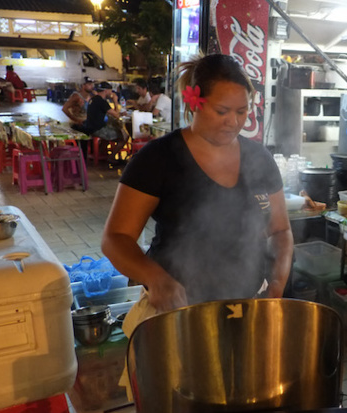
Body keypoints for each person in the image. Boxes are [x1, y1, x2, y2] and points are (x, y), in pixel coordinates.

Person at [101, 54, 293, 331]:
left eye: (242, 111)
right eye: (222, 111)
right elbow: (115, 239)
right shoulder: (158, 158)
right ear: (194, 104)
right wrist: (156, 278)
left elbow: (280, 230)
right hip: (175, 311)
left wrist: (276, 283)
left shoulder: (259, 158)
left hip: (248, 306)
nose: (233, 122)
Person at [73, 81, 127, 160]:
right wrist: (115, 101)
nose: (111, 93)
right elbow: (116, 115)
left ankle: (101, 154)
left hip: (91, 127)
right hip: (98, 129)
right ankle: (111, 157)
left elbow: (111, 113)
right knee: (124, 137)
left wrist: (120, 114)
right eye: (110, 91)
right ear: (106, 91)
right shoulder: (102, 101)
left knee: (111, 131)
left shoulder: (94, 99)